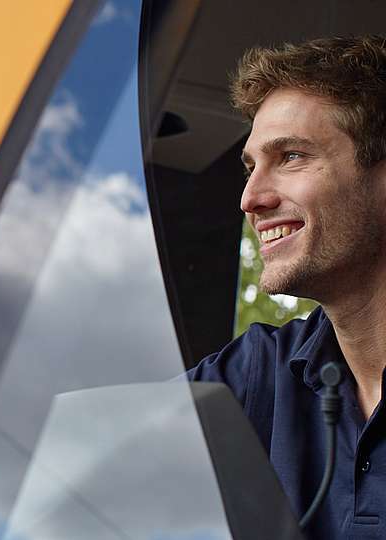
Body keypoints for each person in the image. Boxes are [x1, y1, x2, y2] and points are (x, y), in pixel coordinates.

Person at [188, 35, 386, 540]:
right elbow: (74, 450)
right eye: (252, 167)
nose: (250, 199)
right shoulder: (259, 372)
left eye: (292, 156)